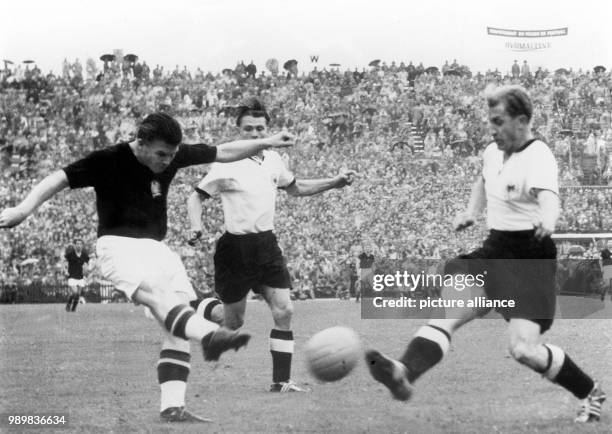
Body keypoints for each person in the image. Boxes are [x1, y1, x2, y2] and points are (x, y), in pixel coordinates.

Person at [0, 112, 295, 422]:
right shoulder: (108, 159)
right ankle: (211, 336)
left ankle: (172, 406)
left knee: (176, 322)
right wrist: (23, 208)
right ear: (140, 143)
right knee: (158, 297)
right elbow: (59, 178)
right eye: (161, 154)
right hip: (118, 246)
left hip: (158, 249)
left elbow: (224, 151)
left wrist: (267, 141)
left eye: (172, 154)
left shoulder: (172, 153)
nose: (167, 161)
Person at [365, 85, 606, 423]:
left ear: (522, 121)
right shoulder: (493, 151)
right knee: (448, 315)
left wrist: (548, 219)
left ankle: (590, 392)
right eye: (490, 121)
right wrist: (470, 211)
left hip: (530, 259)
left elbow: (549, 197)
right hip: (494, 250)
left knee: (523, 350)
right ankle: (404, 371)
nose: (492, 129)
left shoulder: (539, 156)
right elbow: (482, 180)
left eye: (498, 121)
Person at [187, 98, 356, 393]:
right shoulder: (227, 161)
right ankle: (197, 306)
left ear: (268, 129)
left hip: (266, 245)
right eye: (249, 129)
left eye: (260, 128)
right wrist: (196, 225)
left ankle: (281, 381)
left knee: (284, 310)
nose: (255, 134)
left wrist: (335, 182)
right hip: (235, 250)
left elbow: (296, 188)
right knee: (232, 323)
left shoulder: (274, 161)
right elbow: (196, 196)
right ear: (238, 131)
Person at [64, 239, 90, 312]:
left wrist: (86, 268)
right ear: (75, 245)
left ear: (82, 245)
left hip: (80, 277)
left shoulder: (84, 254)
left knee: (78, 294)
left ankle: (73, 309)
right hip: (72, 276)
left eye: (80, 244)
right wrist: (65, 270)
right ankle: (69, 304)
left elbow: (87, 263)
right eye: (77, 244)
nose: (79, 245)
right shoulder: (71, 254)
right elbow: (64, 261)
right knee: (75, 293)